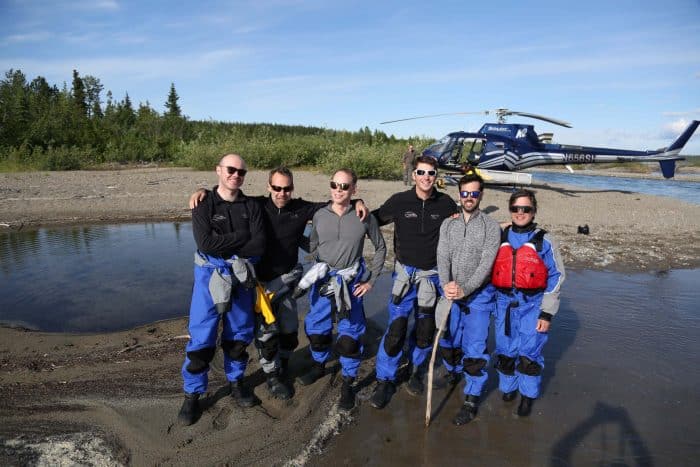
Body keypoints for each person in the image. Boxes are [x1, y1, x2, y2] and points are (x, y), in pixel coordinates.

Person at [188, 167, 368, 401]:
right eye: (276, 188)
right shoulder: (255, 206)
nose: (281, 193)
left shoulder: (301, 208)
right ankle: (272, 376)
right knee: (266, 333)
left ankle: (282, 365)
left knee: (290, 333)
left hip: (288, 280)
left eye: (287, 188)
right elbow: (227, 194)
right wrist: (204, 191)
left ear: (292, 189)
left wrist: (358, 200)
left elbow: (336, 201)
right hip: (258, 283)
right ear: (268, 187)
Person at [178, 154, 265, 426]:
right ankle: (192, 395)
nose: (236, 174)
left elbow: (258, 246)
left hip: (241, 278)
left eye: (241, 171)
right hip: (208, 277)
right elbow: (204, 244)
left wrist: (223, 243)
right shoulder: (203, 203)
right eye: (230, 169)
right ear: (218, 170)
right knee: (201, 341)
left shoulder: (251, 206)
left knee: (239, 338)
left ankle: (237, 383)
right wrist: (241, 237)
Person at [370, 155, 459, 409]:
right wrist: (353, 206)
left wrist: (502, 227)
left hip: (432, 278)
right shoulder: (400, 201)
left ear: (436, 176)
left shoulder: (446, 203)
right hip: (405, 277)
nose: (426, 178)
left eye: (431, 173)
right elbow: (371, 220)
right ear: (413, 175)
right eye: (421, 173)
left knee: (425, 330)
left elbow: (466, 227)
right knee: (396, 329)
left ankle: (416, 370)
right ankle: (384, 380)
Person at [294, 168, 386, 410]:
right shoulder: (320, 215)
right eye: (335, 185)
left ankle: (348, 382)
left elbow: (381, 248)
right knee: (317, 331)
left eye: (345, 186)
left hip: (350, 283)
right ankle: (319, 365)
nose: (338, 190)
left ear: (354, 189)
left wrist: (371, 281)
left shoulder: (363, 216)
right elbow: (313, 247)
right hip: (323, 280)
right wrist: (289, 237)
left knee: (349, 339)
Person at [491, 189, 565, 417]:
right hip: (504, 304)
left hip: (532, 305)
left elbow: (557, 276)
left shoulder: (545, 240)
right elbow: (472, 228)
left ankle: (527, 396)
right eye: (516, 208)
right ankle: (508, 388)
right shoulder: (499, 235)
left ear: (534, 211)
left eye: (526, 209)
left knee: (529, 353)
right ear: (510, 210)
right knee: (505, 350)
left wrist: (547, 313)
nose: (520, 213)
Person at [435, 172, 500, 425]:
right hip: (451, 293)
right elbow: (442, 256)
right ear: (459, 194)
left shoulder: (490, 226)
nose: (469, 197)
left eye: (474, 193)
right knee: (449, 339)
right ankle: (452, 373)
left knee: (474, 349)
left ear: (481, 195)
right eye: (465, 193)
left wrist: (466, 289)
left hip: (479, 297)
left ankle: (471, 397)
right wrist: (446, 285)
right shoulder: (448, 224)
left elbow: (486, 263)